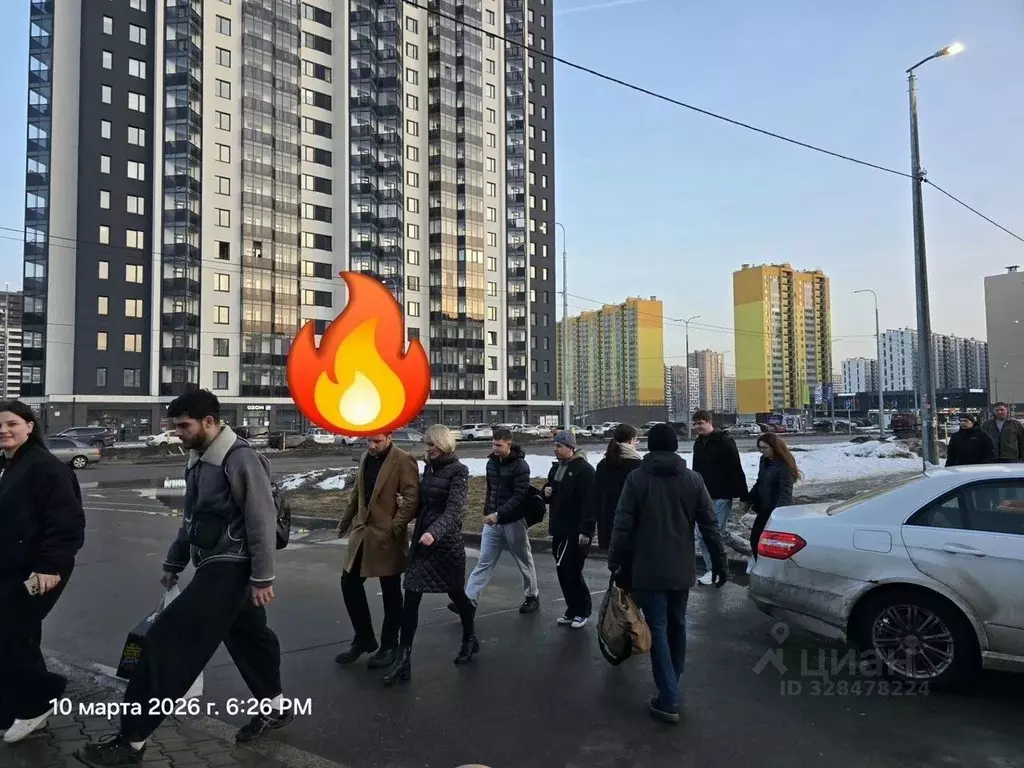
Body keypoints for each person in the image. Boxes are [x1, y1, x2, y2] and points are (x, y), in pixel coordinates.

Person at [77, 390, 289, 767]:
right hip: (213, 564)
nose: (177, 432)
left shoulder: (239, 458)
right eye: (174, 426)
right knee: (251, 640)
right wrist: (174, 561)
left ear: (209, 421)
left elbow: (261, 518)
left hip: (232, 566)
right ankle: (275, 707)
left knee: (167, 643)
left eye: (183, 425)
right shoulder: (198, 458)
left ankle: (131, 743)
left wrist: (262, 577)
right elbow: (191, 519)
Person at [608, 422, 727, 724]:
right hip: (681, 567)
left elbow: (622, 526)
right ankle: (672, 682)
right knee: (678, 624)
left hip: (647, 568)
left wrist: (615, 561)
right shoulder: (693, 479)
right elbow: (710, 526)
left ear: (651, 446)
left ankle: (669, 697)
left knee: (658, 629)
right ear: (675, 446)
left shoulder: (637, 479)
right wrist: (720, 562)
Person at [0, 401, 85, 744]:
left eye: (11, 423)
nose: (4, 430)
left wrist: (50, 565)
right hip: (9, 567)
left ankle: (40, 699)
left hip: (39, 569)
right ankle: (12, 708)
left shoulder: (46, 468)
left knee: (10, 632)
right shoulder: (8, 465)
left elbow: (67, 522)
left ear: (30, 426)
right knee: (20, 636)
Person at [381, 426, 476, 685]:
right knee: (411, 595)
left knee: (457, 594)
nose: (428, 449)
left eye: (432, 444)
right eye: (427, 444)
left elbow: (454, 509)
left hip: (445, 544)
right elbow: (425, 504)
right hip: (423, 543)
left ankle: (469, 638)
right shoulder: (429, 469)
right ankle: (404, 660)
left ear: (443, 444)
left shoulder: (459, 471)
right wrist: (406, 506)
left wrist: (434, 532)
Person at [334, 432, 420, 670]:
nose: (371, 446)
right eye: (368, 441)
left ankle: (390, 645)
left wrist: (395, 527)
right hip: (363, 533)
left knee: (390, 589)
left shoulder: (403, 460)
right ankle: (364, 638)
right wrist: (346, 521)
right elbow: (358, 493)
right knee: (349, 582)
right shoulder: (365, 457)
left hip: (387, 536)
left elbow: (412, 500)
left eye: (377, 441)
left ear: (389, 436)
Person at [458, 427, 540, 614]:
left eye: (499, 445)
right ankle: (469, 601)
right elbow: (491, 490)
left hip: (514, 521)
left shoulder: (520, 465)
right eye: (493, 444)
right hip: (493, 521)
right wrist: (488, 511)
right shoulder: (491, 463)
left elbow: (519, 496)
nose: (495, 448)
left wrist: (499, 514)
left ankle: (532, 596)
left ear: (509, 444)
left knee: (524, 561)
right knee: (484, 561)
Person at [542, 430, 596, 629]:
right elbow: (550, 493)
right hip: (559, 527)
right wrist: (546, 492)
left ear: (570, 448)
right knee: (562, 570)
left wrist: (586, 530)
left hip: (576, 530)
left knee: (571, 569)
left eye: (559, 446)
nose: (555, 449)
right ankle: (572, 609)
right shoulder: (557, 468)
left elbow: (590, 502)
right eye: (554, 445)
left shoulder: (584, 470)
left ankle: (583, 610)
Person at [690, 411, 750, 583]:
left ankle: (716, 569)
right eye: (695, 424)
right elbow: (696, 470)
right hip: (704, 495)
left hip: (722, 494)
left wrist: (743, 495)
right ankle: (747, 552)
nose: (697, 427)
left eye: (700, 423)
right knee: (708, 533)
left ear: (709, 422)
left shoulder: (724, 441)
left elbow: (736, 467)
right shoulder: (698, 443)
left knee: (712, 533)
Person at [747, 432, 800, 564]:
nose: (762, 451)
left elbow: (785, 492)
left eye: (765, 448)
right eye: (760, 448)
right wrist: (749, 497)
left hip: (775, 509)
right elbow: (760, 481)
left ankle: (769, 567)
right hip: (763, 507)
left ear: (774, 447)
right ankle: (759, 564)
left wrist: (779, 514)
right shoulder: (764, 460)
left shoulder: (784, 465)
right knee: (755, 539)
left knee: (773, 544)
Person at [594, 423, 643, 550]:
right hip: (631, 530)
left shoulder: (603, 464)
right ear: (631, 441)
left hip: (607, 527)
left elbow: (596, 497)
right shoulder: (638, 466)